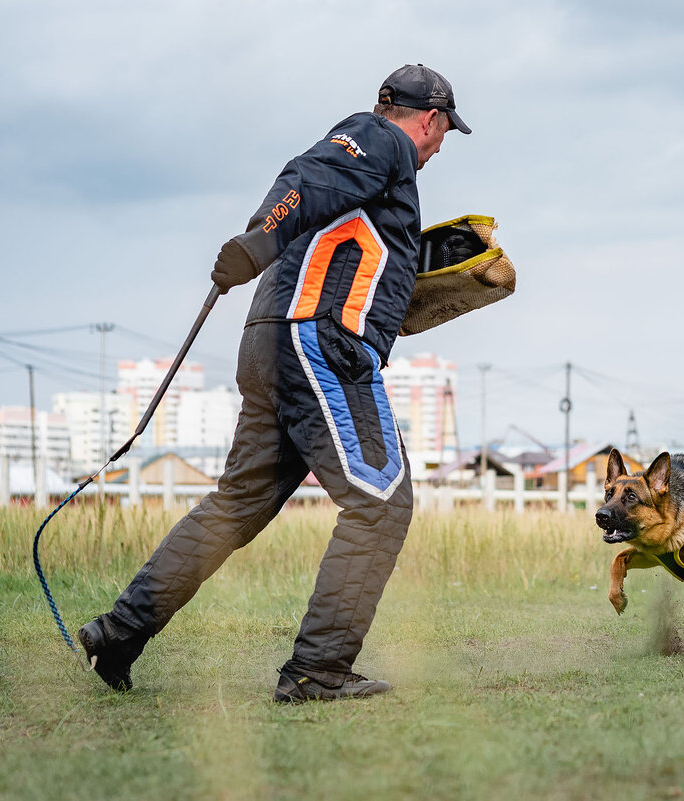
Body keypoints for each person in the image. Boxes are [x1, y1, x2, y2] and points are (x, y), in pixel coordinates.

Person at [78, 64, 472, 701]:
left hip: (272, 342)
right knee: (380, 503)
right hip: (318, 343)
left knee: (235, 505)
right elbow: (309, 177)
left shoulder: (377, 182)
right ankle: (317, 669)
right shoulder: (382, 140)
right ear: (430, 119)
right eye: (443, 134)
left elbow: (355, 249)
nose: (437, 148)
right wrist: (261, 237)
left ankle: (118, 634)